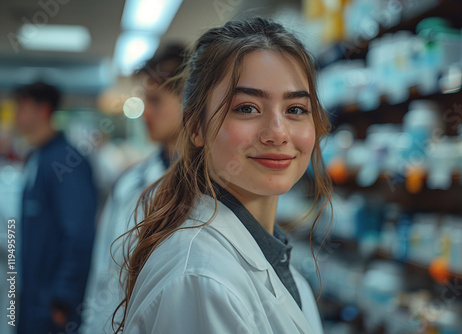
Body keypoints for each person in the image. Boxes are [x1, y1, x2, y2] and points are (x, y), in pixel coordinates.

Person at [115, 17, 332, 334]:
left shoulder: (274, 263)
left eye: (296, 109)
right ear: (196, 127)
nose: (278, 133)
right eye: (247, 108)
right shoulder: (201, 281)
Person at [80, 43, 186, 334]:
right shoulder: (130, 185)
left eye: (155, 101)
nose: (145, 114)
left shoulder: (217, 189)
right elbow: (103, 274)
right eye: (144, 101)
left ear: (189, 101)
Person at [14, 82, 97, 333]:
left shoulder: (65, 161)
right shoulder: (38, 157)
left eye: (22, 107)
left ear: (43, 110)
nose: (16, 113)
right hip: (33, 297)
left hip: (51, 306)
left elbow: (79, 233)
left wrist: (63, 298)